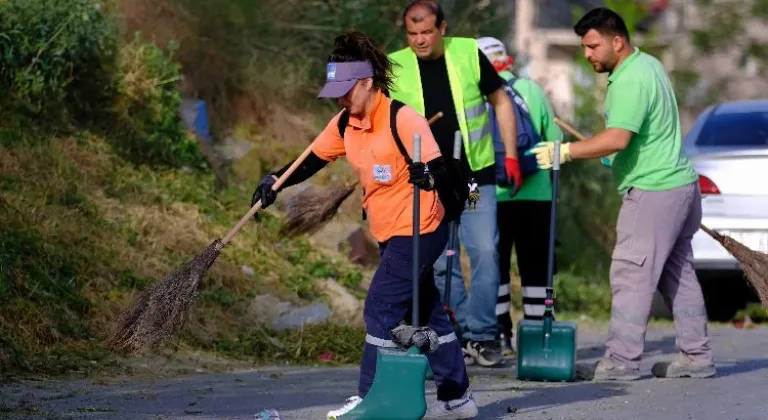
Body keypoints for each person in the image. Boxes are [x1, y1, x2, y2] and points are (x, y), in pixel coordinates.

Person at [250, 30, 479, 419]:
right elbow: (310, 161)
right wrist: (275, 180)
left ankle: (372, 397)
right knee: (427, 311)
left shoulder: (403, 119)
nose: (340, 98)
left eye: (346, 90)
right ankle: (458, 398)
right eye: (335, 91)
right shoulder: (344, 124)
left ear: (368, 82)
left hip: (421, 227)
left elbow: (445, 171)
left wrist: (429, 177)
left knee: (381, 307)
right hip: (390, 232)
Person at [528, 7, 716, 380]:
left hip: (654, 192)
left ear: (617, 41)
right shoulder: (650, 66)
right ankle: (697, 357)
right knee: (678, 275)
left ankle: (620, 362)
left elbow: (617, 137)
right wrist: (617, 159)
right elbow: (640, 138)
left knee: (630, 274)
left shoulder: (630, 80)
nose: (588, 54)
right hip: (679, 186)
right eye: (584, 47)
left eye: (593, 46)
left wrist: (564, 152)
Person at [387, 0, 522, 368]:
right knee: (442, 260)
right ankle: (460, 330)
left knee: (482, 250)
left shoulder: (468, 52)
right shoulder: (396, 65)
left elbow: (502, 101)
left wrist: (510, 154)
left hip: (474, 180)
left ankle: (482, 334)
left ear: (442, 28)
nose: (419, 40)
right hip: (430, 182)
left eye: (426, 32)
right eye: (412, 33)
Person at [476, 36, 564, 353]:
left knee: (494, 265)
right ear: (506, 59)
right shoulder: (531, 91)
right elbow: (555, 140)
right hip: (536, 193)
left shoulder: (476, 94)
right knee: (536, 265)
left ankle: (500, 335)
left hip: (491, 194)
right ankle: (538, 337)